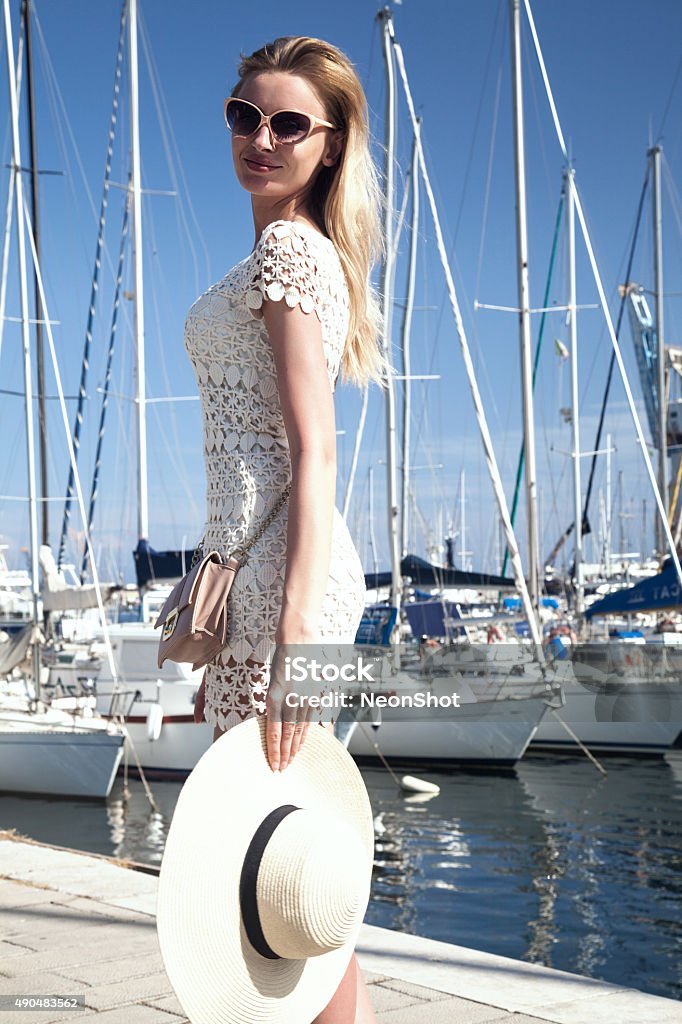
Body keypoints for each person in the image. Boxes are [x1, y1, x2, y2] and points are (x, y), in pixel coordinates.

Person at [185, 35, 387, 1024]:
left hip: (287, 579)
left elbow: (316, 451)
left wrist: (295, 634)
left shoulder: (286, 251)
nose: (259, 139)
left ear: (331, 143)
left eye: (288, 123)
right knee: (288, 864)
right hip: (268, 567)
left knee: (272, 857)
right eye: (242, 116)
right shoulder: (285, 250)